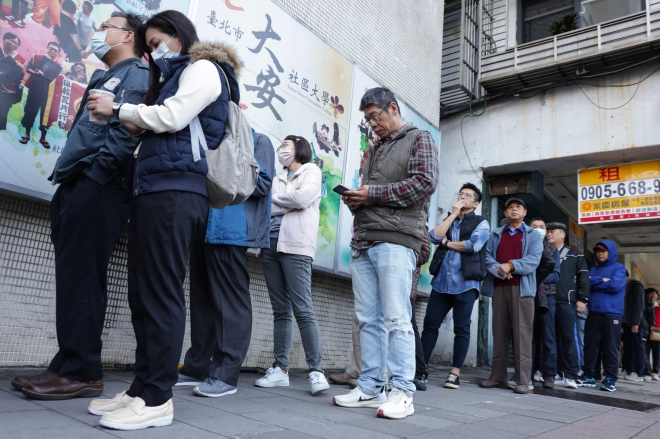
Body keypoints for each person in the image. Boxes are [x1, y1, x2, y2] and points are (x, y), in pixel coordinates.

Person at [85, 10, 242, 430]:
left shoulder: (204, 68)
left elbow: (173, 116)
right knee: (143, 292)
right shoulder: (177, 74)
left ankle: (157, 398)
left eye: (157, 43)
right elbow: (170, 123)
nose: (154, 52)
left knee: (160, 293)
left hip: (176, 193)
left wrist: (121, 109)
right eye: (149, 46)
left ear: (178, 35)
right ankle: (141, 388)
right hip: (156, 189)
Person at [11, 13, 148, 399]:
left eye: (109, 25)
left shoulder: (136, 74)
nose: (100, 31)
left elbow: (126, 134)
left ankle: (83, 370)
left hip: (99, 187)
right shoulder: (104, 75)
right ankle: (66, 362)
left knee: (85, 276)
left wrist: (95, 177)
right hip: (78, 184)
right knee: (74, 275)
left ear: (128, 35)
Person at [333, 87, 439, 420]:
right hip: (365, 240)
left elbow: (425, 182)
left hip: (397, 240)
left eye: (374, 117)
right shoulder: (375, 150)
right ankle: (369, 387)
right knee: (368, 319)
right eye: (367, 120)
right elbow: (377, 197)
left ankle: (403, 392)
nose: (371, 125)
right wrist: (357, 200)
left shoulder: (419, 138)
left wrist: (372, 195)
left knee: (396, 319)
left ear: (392, 108)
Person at [175, 129, 275, 397]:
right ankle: (196, 366)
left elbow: (263, 183)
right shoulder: (209, 136)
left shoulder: (257, 140)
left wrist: (223, 166)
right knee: (202, 300)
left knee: (231, 303)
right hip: (202, 228)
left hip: (232, 229)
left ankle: (226, 374)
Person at [254, 135, 329, 396]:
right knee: (280, 310)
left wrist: (280, 201)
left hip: (296, 245)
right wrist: (287, 201)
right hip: (269, 244)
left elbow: (302, 199)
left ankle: (316, 371)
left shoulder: (312, 171)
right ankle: (280, 369)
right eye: (281, 146)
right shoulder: (276, 177)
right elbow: (266, 206)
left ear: (300, 148)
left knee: (303, 308)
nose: (282, 149)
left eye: (287, 145)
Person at [328, 232, 431, 391]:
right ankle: (364, 377)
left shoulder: (416, 221)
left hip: (398, 274)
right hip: (367, 253)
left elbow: (423, 252)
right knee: (363, 322)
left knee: (395, 323)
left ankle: (396, 386)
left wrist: (397, 254)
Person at [421, 183, 489, 390]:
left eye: (467, 195)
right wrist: (452, 215)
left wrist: (446, 243)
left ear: (476, 203)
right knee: (430, 326)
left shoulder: (481, 222)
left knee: (462, 328)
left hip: (466, 283)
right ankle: (420, 368)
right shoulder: (449, 220)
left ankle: (455, 373)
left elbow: (472, 245)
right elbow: (433, 236)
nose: (463, 197)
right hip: (441, 283)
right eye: (460, 194)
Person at [478, 198, 543, 394]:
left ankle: (523, 380)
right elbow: (486, 256)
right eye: (510, 208)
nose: (514, 210)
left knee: (522, 334)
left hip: (522, 290)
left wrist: (511, 265)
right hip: (499, 286)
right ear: (505, 214)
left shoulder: (532, 235)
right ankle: (497, 376)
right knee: (499, 332)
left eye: (518, 207)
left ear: (524, 213)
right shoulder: (496, 234)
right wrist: (498, 269)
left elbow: (534, 259)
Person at [538, 222, 589, 389]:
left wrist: (582, 299)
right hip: (546, 300)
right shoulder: (543, 251)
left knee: (568, 338)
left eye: (553, 231)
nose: (549, 234)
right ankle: (549, 372)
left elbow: (584, 279)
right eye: (548, 231)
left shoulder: (575, 255)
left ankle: (571, 374)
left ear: (563, 235)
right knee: (548, 338)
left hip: (567, 302)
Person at [511, 217, 559, 392]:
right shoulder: (524, 246)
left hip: (547, 297)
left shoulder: (552, 249)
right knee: (526, 337)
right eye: (534, 226)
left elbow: (556, 275)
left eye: (541, 227)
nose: (538, 229)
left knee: (548, 338)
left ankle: (549, 375)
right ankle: (525, 375)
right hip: (526, 295)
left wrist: (534, 278)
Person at [576, 241, 627, 392]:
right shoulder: (593, 268)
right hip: (594, 312)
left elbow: (615, 286)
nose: (600, 253)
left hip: (612, 313)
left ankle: (611, 379)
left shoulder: (619, 268)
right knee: (590, 346)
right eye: (598, 251)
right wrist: (600, 280)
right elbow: (586, 283)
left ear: (610, 252)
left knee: (610, 347)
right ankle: (589, 376)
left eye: (604, 251)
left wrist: (594, 283)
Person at [19, 41, 62, 148]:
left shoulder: (59, 66)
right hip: (35, 89)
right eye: (51, 49)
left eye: (55, 50)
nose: (52, 51)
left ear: (57, 53)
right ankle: (27, 133)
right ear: (47, 48)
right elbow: (28, 68)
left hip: (49, 93)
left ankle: (43, 137)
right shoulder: (37, 57)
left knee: (46, 115)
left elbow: (59, 80)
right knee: (30, 111)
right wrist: (36, 73)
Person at [622, 270, 646, 382]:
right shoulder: (625, 287)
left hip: (636, 323)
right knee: (628, 347)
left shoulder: (637, 286)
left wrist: (635, 323)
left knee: (637, 347)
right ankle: (629, 370)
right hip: (626, 322)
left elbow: (638, 306)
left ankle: (639, 373)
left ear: (627, 276)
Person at [0, 32, 26, 131]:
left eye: (15, 43)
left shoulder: (20, 59)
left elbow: (19, 77)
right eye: (10, 40)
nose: (12, 44)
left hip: (6, 89)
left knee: (2, 110)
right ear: (4, 39)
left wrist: (19, 69)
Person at [644, 288, 660, 381]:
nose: (653, 296)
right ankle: (647, 371)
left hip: (657, 332)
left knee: (657, 353)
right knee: (645, 352)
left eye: (655, 294)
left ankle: (655, 372)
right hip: (647, 331)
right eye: (651, 294)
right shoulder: (644, 305)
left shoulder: (658, 307)